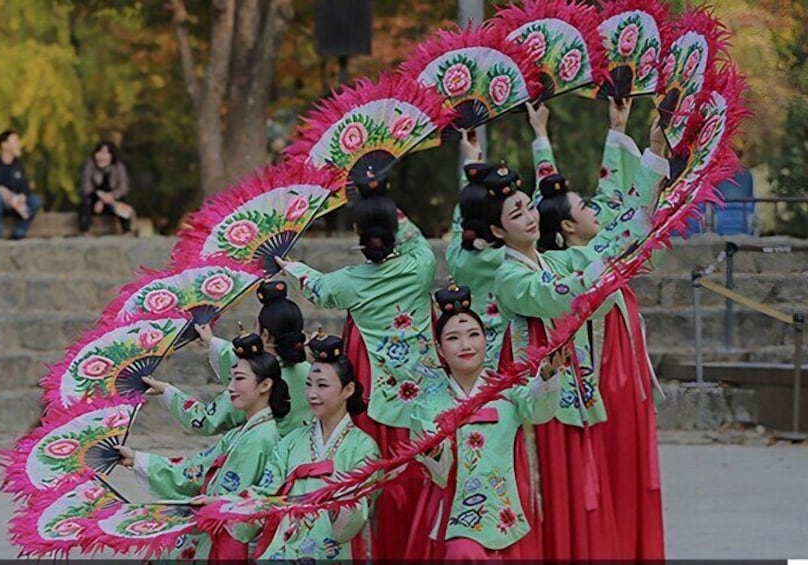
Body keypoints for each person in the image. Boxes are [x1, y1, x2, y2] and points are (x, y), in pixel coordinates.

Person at [488, 111, 669, 560]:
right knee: (552, 500)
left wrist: (656, 155)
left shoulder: (553, 261)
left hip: (570, 400)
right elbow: (557, 297)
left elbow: (615, 237)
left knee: (579, 502)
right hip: (537, 406)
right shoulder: (511, 276)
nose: (529, 216)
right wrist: (598, 263)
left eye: (530, 208)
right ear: (496, 231)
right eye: (517, 213)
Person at [275, 169, 437, 558]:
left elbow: (317, 287)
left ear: (359, 235)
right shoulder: (421, 267)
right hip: (422, 397)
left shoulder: (349, 281)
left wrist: (288, 264)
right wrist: (379, 194)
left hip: (372, 393)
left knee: (368, 481)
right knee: (422, 476)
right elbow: (413, 238)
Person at [407, 282, 563, 560]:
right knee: (461, 553)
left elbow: (538, 409)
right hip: (453, 506)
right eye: (453, 338)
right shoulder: (427, 403)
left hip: (504, 504)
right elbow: (440, 472)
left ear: (485, 340)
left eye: (473, 335)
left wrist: (548, 375)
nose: (465, 345)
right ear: (440, 350)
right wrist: (433, 451)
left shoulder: (507, 391)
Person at [115, 331, 289, 560]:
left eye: (239, 379)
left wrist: (218, 503)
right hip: (212, 522)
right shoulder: (244, 432)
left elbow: (245, 499)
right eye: (231, 379)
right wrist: (136, 459)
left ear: (265, 384)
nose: (230, 388)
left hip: (225, 534)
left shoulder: (261, 438)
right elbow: (197, 468)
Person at [226, 333, 379, 560]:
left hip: (332, 553)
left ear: (348, 390)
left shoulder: (364, 447)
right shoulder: (291, 441)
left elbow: (360, 511)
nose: (312, 394)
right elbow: (266, 493)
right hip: (284, 549)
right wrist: (226, 504)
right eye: (308, 384)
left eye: (323, 385)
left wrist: (342, 507)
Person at [142, 280, 312, 438]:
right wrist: (211, 341)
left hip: (264, 459)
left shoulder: (257, 380)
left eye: (256, 328)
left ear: (265, 335)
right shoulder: (311, 372)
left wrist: (167, 391)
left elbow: (207, 421)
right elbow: (247, 363)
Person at [446, 135, 507, 368]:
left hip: (472, 348)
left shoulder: (458, 256)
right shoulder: (512, 257)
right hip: (512, 346)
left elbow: (459, 218)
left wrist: (469, 163)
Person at [0, 129, 42, 239]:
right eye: (15, 141)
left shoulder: (18, 165)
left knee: (35, 201)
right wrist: (1, 190)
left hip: (16, 205)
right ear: (4, 145)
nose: (19, 144)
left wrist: (23, 195)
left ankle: (20, 231)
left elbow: (25, 185)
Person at [78, 141, 134, 233]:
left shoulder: (119, 167)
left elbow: (123, 187)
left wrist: (111, 196)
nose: (102, 156)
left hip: (113, 199)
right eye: (99, 152)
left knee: (124, 204)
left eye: (105, 153)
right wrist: (99, 198)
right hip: (94, 199)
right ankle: (84, 230)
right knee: (85, 203)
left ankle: (127, 231)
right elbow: (86, 187)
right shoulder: (90, 166)